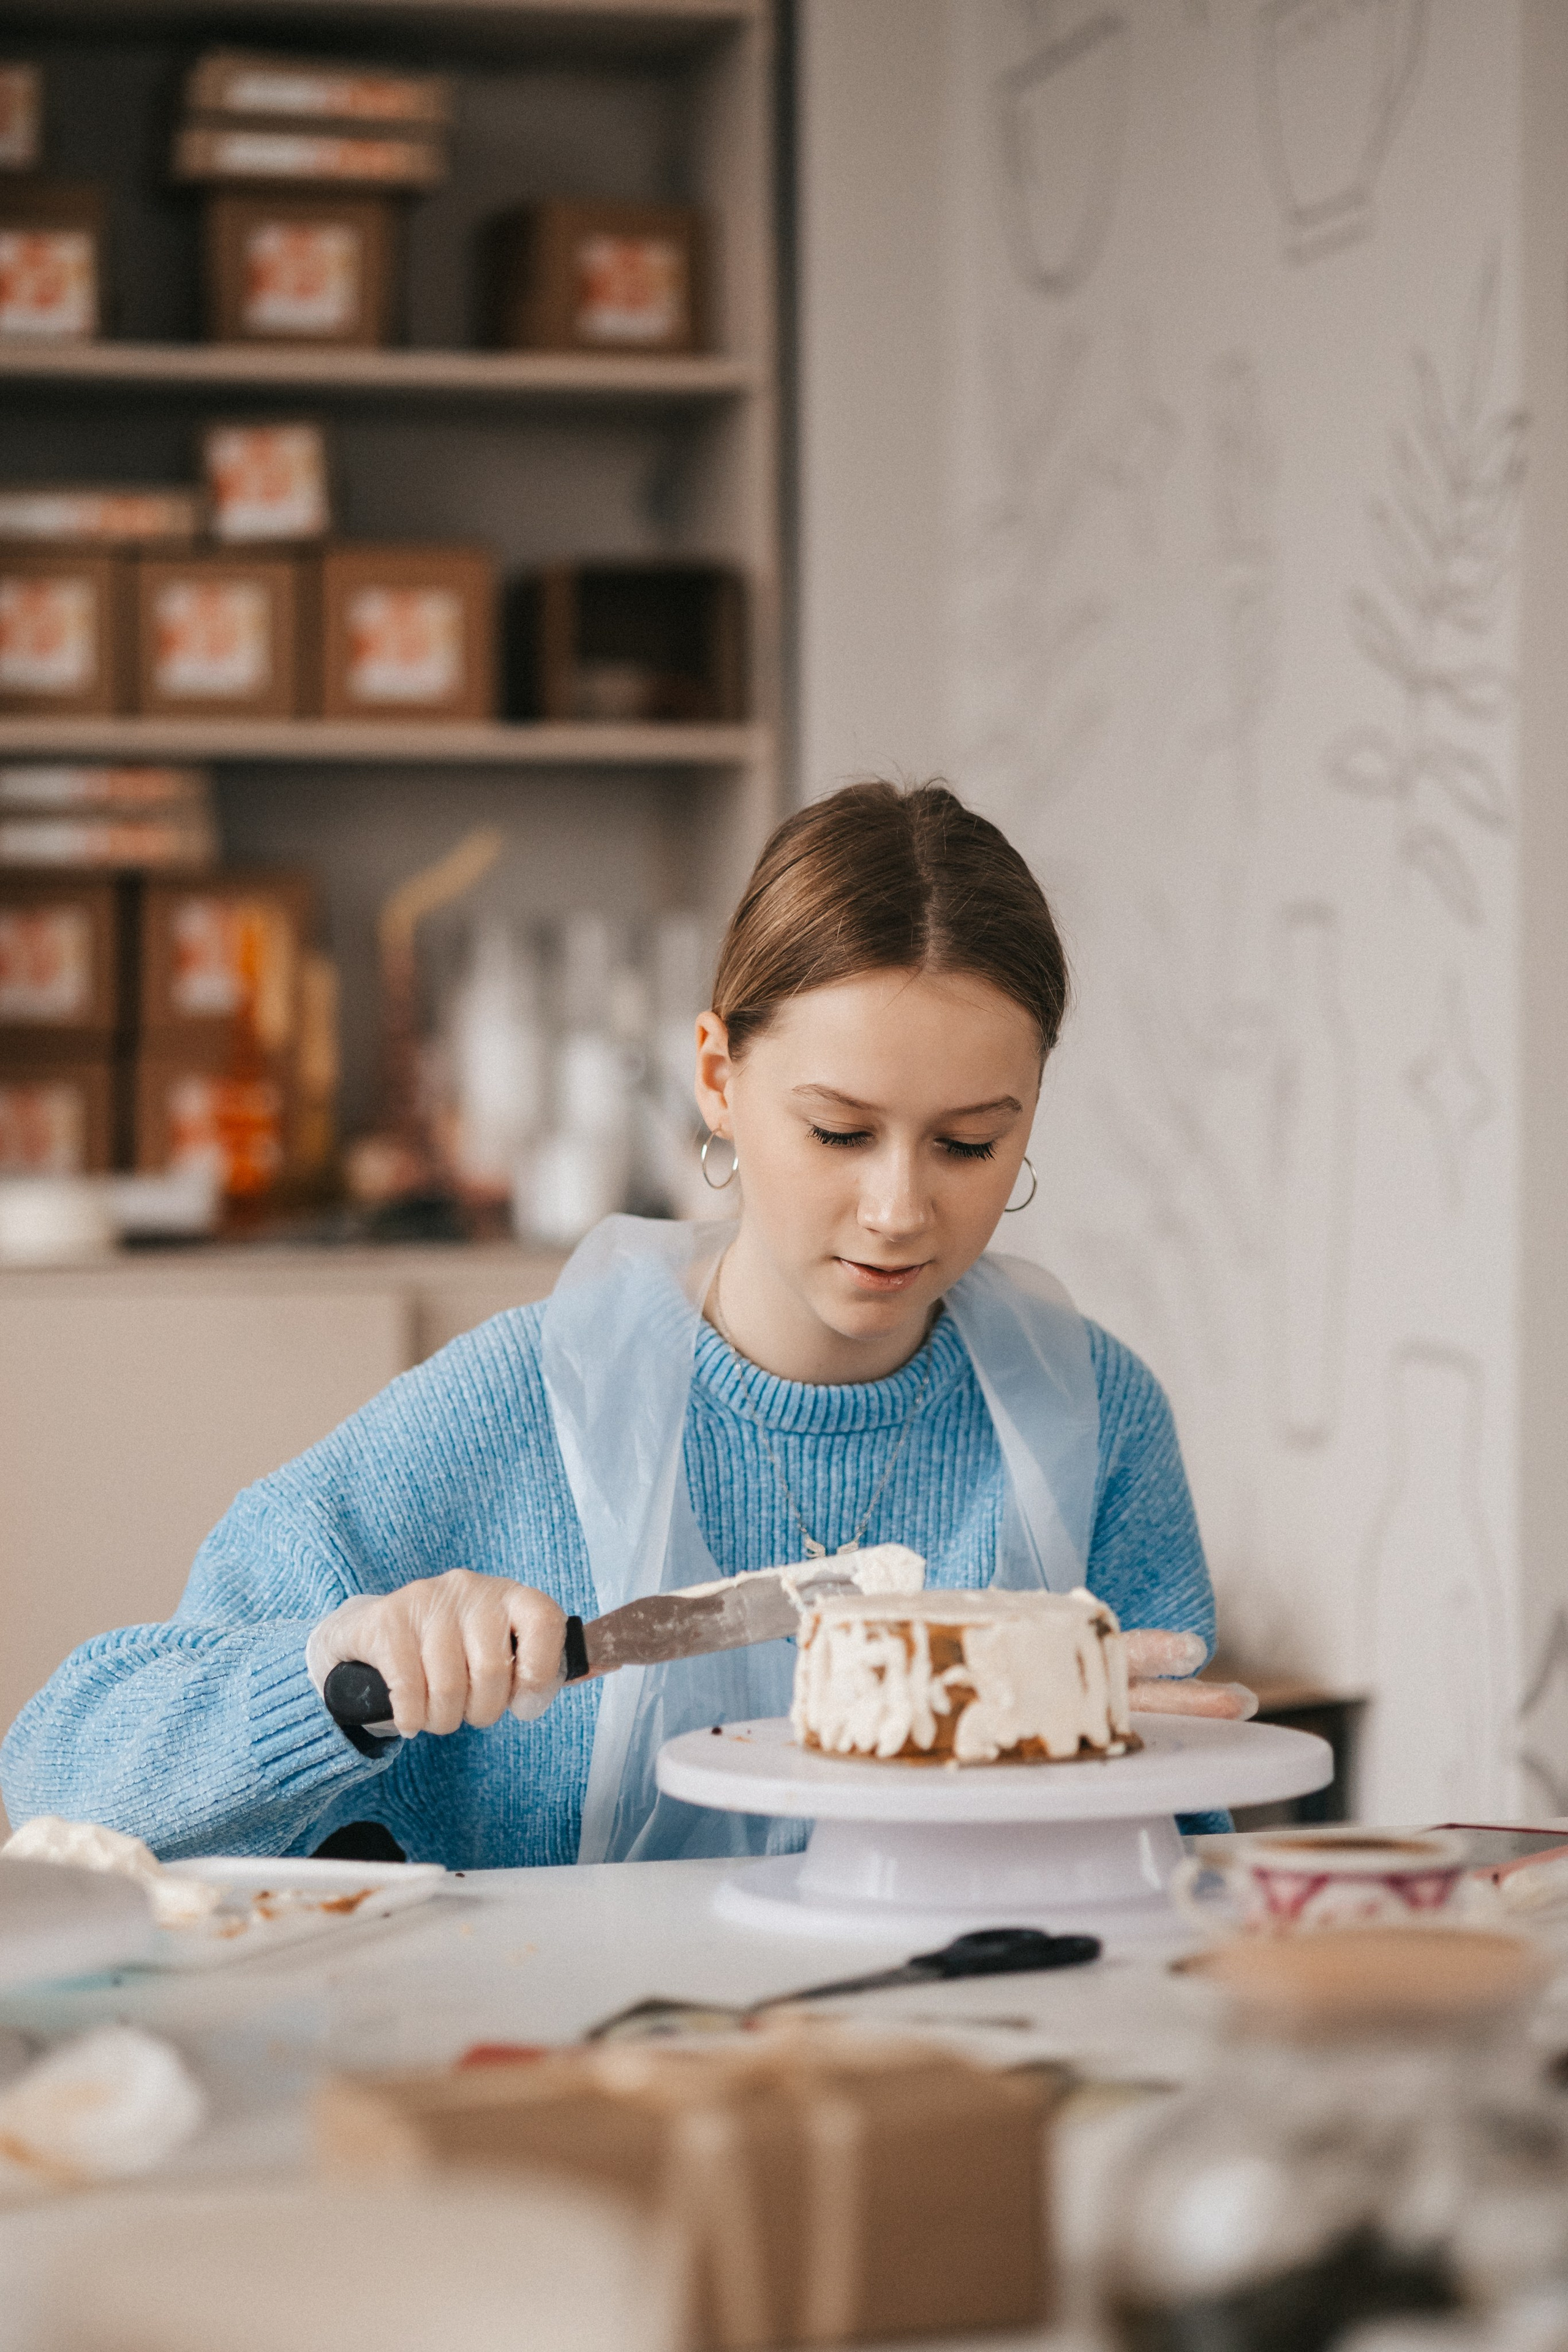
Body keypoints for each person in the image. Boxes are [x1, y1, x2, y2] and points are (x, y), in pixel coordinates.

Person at [0, 780, 1251, 1868]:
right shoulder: (514, 1411)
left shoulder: (1092, 1418)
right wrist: (335, 1679)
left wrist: (1126, 1779)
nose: (897, 1210)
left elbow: (1183, 1878)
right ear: (715, 1078)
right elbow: (58, 1778)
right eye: (838, 1132)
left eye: (969, 1144)